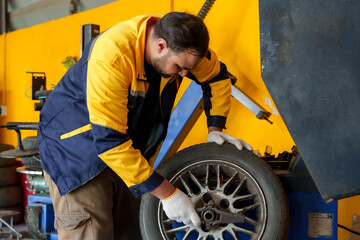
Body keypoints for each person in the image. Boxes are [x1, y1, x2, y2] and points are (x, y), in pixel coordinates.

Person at [37, 12, 253, 239]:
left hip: (127, 151)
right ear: (161, 46)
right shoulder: (113, 57)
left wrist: (215, 130)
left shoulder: (182, 45)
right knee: (92, 233)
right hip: (76, 153)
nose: (185, 74)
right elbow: (109, 141)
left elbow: (217, 78)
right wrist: (169, 194)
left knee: (132, 232)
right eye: (179, 67)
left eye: (189, 68)